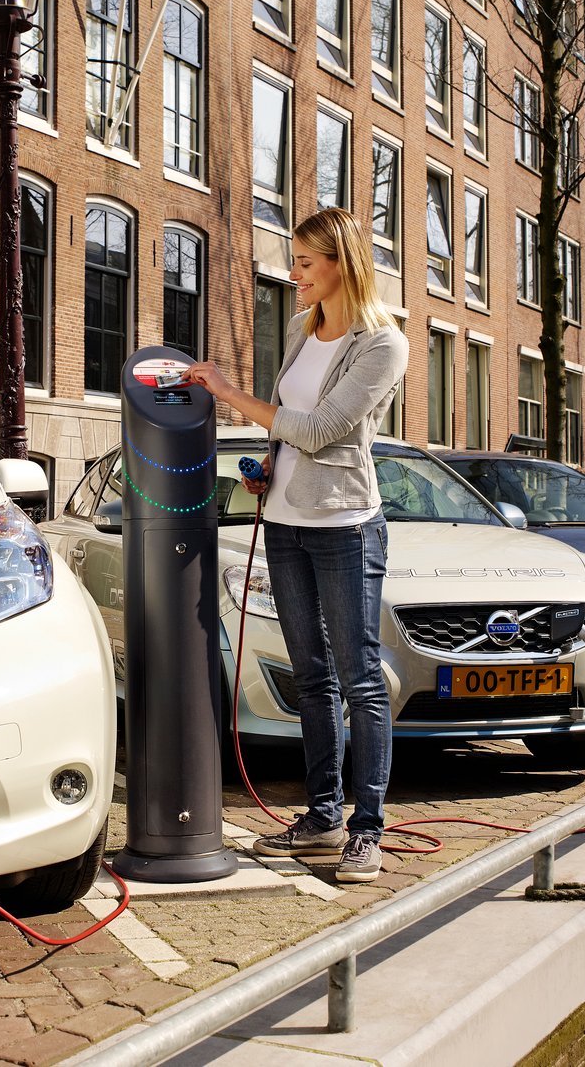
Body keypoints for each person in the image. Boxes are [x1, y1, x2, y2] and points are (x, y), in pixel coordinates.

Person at [181, 208, 407, 883]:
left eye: (306, 263)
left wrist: (228, 393)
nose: (294, 273)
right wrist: (268, 468)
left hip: (343, 526)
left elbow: (324, 427)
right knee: (312, 675)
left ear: (340, 262)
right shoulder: (303, 331)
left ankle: (366, 828)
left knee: (361, 677)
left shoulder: (382, 344)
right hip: (283, 522)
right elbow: (292, 434)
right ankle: (322, 815)